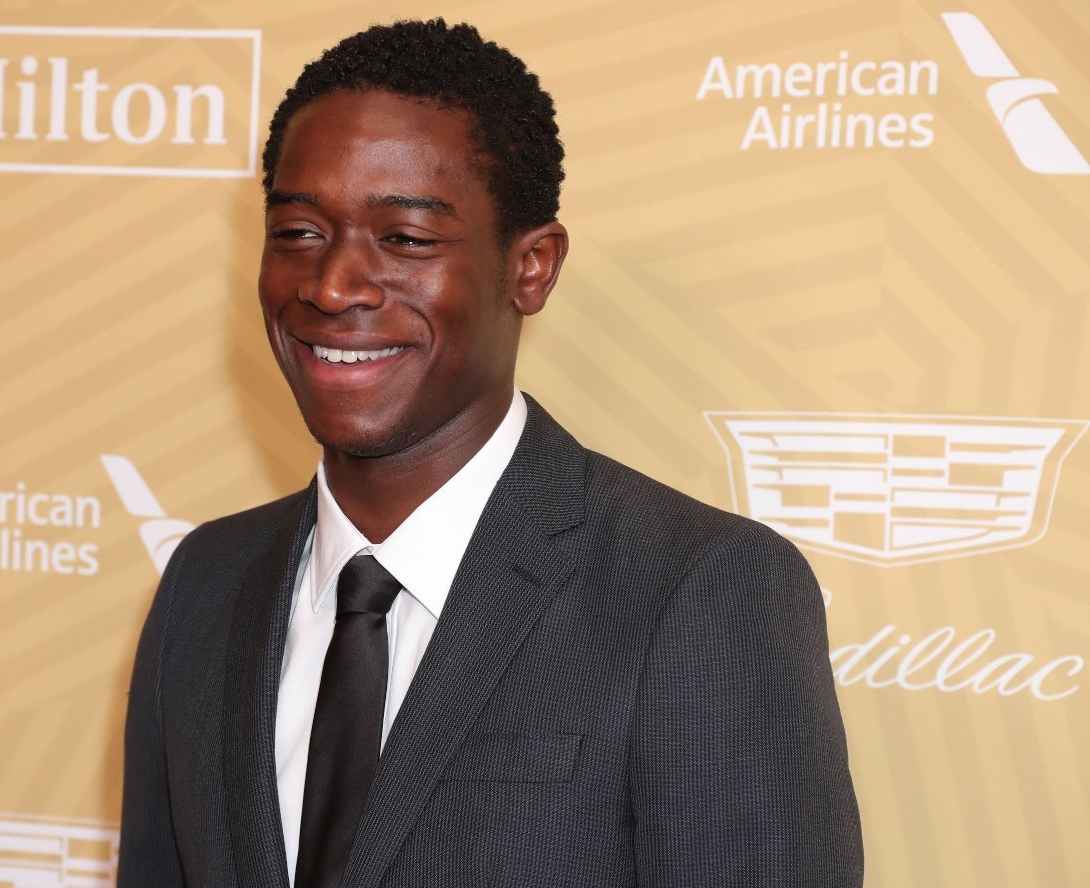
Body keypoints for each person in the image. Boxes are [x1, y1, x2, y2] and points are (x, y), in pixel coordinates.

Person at [117, 18, 862, 888]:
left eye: (405, 239)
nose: (330, 286)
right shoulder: (207, 583)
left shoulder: (698, 592)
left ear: (532, 268)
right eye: (299, 232)